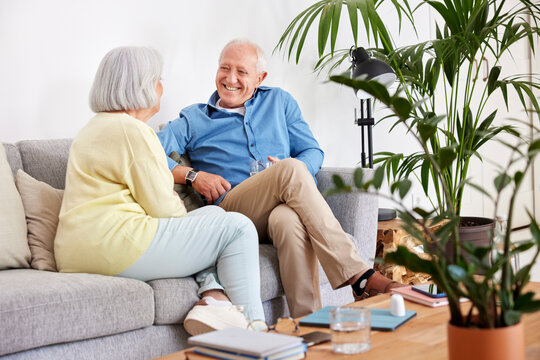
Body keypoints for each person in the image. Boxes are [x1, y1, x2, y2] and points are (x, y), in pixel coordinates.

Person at [158, 39, 401, 318]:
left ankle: (309, 326)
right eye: (224, 68)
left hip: (274, 213)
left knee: (287, 218)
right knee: (289, 170)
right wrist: (193, 175)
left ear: (261, 78)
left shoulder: (280, 102)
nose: (230, 78)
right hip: (231, 211)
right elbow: (146, 153)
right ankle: (360, 275)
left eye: (241, 72)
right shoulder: (194, 118)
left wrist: (293, 178)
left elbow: (311, 150)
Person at [54, 46, 265, 336]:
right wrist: (178, 205)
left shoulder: (91, 129)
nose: (162, 88)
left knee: (211, 226)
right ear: (142, 86)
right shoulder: (134, 131)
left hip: (73, 252)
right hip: (116, 245)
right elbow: (165, 209)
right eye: (158, 79)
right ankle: (257, 334)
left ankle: (215, 301)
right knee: (237, 226)